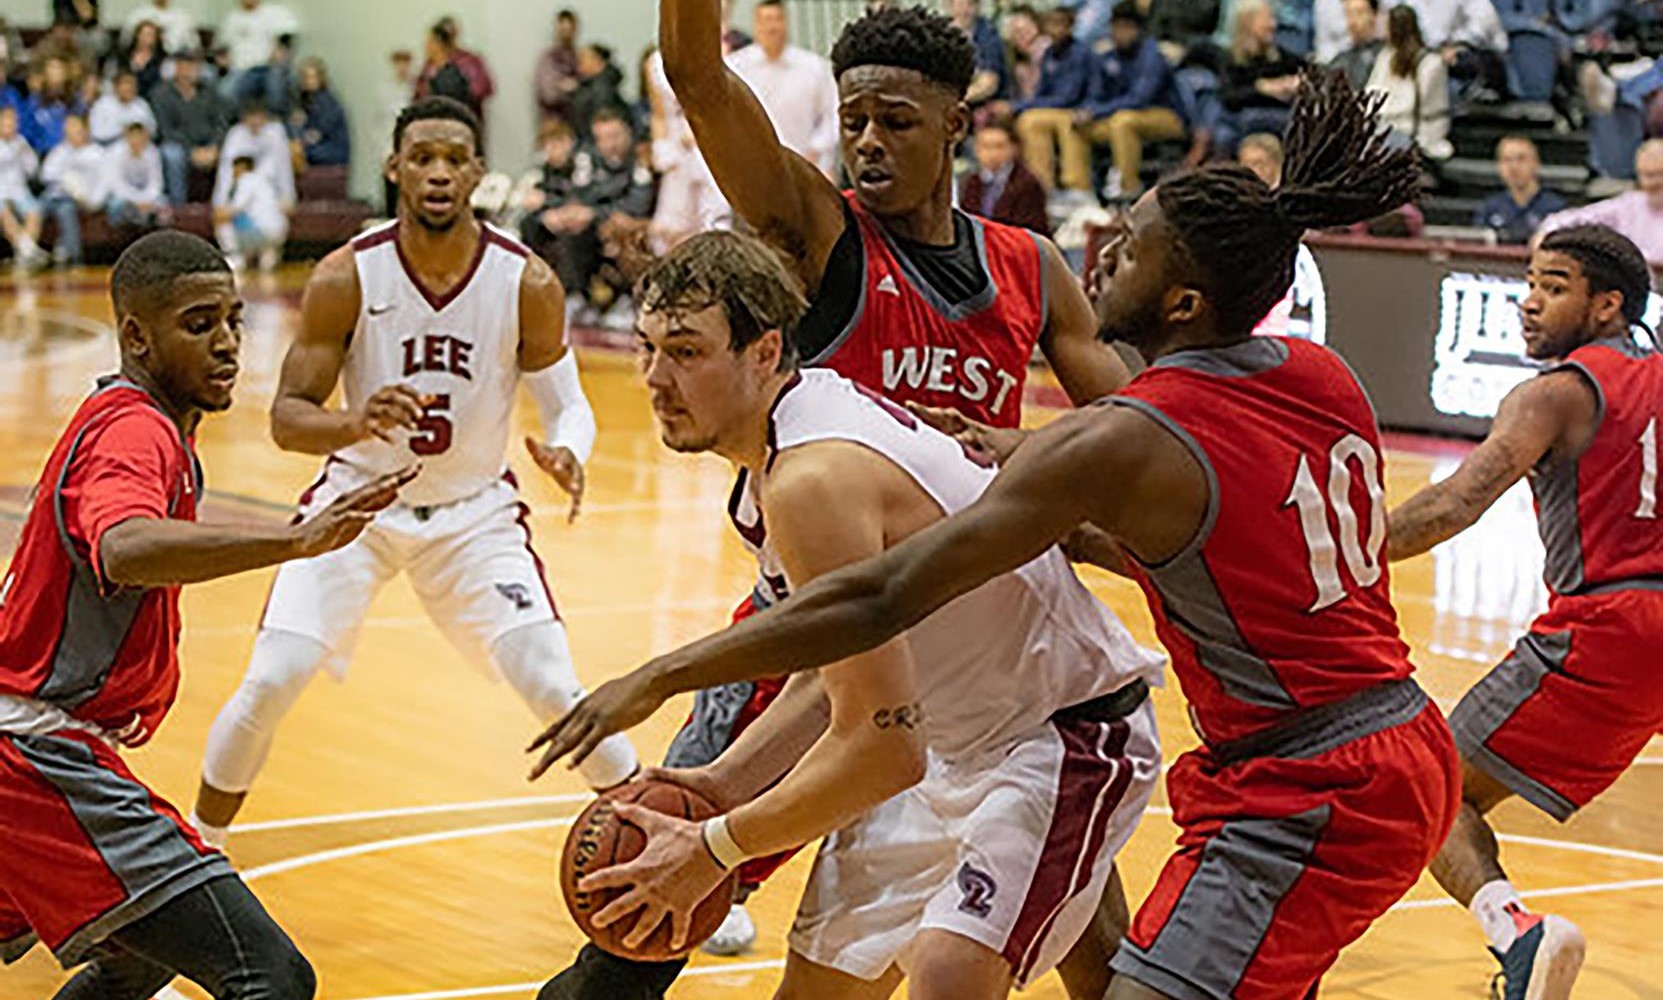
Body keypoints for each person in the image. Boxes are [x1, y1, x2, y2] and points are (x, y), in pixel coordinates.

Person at [536, 69, 1465, 1000]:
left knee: (1005, 973)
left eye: (1129, 248)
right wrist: (725, 782)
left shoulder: (1115, 436)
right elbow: (1210, 533)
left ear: (1183, 302)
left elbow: (877, 600)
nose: (1098, 255)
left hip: (1296, 775)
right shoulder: (1316, 372)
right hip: (1379, 737)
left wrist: (657, 678)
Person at [531, 2, 1141, 996]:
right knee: (652, 890)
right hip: (814, 621)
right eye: (851, 119)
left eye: (894, 121)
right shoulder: (814, 229)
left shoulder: (1029, 267)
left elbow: (1137, 430)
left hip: (982, 642)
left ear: (956, 123)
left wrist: (1028, 453)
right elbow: (697, 78)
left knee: (1081, 921)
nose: (865, 141)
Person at [188, 96, 640, 848]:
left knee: (556, 687)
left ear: (477, 173)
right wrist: (354, 423)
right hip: (354, 509)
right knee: (271, 679)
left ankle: (674, 848)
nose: (437, 173)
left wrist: (570, 452)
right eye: (421, 158)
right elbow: (287, 419)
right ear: (394, 168)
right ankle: (198, 854)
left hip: (474, 516)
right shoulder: (346, 277)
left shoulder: (523, 281)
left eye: (453, 159)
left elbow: (570, 409)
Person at [0, 229, 413, 1000]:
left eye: (233, 322)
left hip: (27, 749)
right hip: (32, 756)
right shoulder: (136, 430)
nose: (226, 344)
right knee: (271, 975)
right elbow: (123, 547)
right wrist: (296, 541)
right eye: (199, 326)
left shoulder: (134, 424)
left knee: (140, 952)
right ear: (135, 335)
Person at [1385, 224, 1660, 1000]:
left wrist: (1348, 551)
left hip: (1608, 629)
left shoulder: (1555, 393)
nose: (1529, 303)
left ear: (1608, 305)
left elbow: (1454, 502)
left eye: (1553, 286)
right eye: (1529, 284)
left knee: (1433, 785)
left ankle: (1519, 934)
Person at [1074, 2, 1187, 200]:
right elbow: (1094, 94)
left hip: (1167, 116)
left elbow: (1140, 99)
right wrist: (1088, 110)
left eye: (1126, 28)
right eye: (1116, 28)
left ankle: (1128, 186)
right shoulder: (1107, 57)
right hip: (1118, 116)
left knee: (1123, 121)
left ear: (1137, 29)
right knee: (1078, 125)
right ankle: (1080, 190)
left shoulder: (1152, 56)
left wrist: (1098, 111)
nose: (1120, 33)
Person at [726, 0, 840, 175]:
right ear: (755, 25)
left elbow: (833, 113)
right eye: (765, 20)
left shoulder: (814, 67)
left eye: (777, 19)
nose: (771, 27)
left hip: (805, 165)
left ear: (786, 23)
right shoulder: (735, 67)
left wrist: (817, 149)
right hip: (750, 167)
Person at [1010, 5, 1096, 194]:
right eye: (1050, 25)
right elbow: (1042, 92)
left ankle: (1078, 186)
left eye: (1060, 25)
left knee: (1068, 122)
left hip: (1085, 109)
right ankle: (1043, 186)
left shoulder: (1081, 53)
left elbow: (1068, 97)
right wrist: (1023, 107)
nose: (1055, 30)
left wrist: (1019, 106)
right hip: (1057, 110)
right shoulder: (1049, 54)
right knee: (1029, 121)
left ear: (1070, 27)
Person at [1539, 139, 1663, 265]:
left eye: (1658, 174)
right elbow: (1559, 222)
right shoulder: (1629, 206)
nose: (1650, 183)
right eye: (1645, 175)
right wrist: (1547, 235)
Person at [1366, 4, 1452, 160]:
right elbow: (1371, 93)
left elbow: (1409, 104)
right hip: (1385, 125)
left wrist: (1381, 112)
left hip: (1418, 130)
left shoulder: (1431, 63)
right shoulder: (1385, 56)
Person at [1217, 0, 1302, 155]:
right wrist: (1261, 88)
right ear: (1248, 24)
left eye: (1272, 19)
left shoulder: (1284, 58)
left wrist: (1292, 84)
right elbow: (1229, 97)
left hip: (1279, 116)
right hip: (1245, 117)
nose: (1273, 25)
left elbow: (1306, 74)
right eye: (1266, 19)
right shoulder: (1232, 61)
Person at [153, 50, 232, 206]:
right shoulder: (161, 94)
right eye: (186, 66)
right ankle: (179, 208)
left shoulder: (210, 92)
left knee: (232, 149)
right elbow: (165, 129)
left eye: (195, 67)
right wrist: (191, 150)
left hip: (208, 144)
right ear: (176, 68)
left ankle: (222, 204)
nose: (191, 71)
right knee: (171, 155)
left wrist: (215, 146)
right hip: (180, 144)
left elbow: (221, 122)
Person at [960, 118, 1049, 235]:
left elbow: (1031, 228)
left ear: (1013, 148)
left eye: (999, 146)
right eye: (985, 146)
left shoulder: (1027, 182)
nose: (992, 153)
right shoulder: (971, 182)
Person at [1474, 136, 1567, 245]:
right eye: (1507, 160)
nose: (1514, 167)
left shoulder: (1555, 207)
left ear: (1535, 163)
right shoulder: (1489, 208)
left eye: (1521, 159)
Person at [40, 113, 104, 265]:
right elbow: (45, 175)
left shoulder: (97, 153)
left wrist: (92, 201)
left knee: (65, 209)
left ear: (84, 130)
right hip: (56, 196)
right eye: (67, 128)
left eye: (74, 127)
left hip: (83, 199)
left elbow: (103, 183)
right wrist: (66, 183)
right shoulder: (60, 150)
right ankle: (29, 249)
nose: (69, 131)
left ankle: (73, 255)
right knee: (35, 208)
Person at [214, 101, 295, 215]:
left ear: (265, 117)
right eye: (251, 117)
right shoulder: (235, 135)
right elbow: (226, 171)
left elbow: (284, 169)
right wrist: (220, 203)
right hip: (242, 195)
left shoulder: (276, 133)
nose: (256, 121)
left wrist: (288, 197)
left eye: (259, 117)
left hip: (270, 193)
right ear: (244, 119)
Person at [218, 0, 297, 113]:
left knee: (276, 86)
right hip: (241, 69)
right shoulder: (231, 18)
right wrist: (224, 61)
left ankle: (275, 122)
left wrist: (279, 52)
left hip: (268, 66)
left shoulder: (274, 12)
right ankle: (239, 125)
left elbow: (287, 38)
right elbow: (223, 46)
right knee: (225, 92)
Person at [215, 154, 286, 270]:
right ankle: (268, 256)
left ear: (241, 168)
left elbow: (236, 208)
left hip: (261, 233)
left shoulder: (245, 180)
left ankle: (236, 258)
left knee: (223, 224)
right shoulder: (265, 181)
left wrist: (218, 216)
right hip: (279, 232)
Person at [0, 105, 47, 270]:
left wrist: (24, 152)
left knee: (34, 212)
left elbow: (32, 170)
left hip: (19, 190)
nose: (11, 124)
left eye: (13, 121)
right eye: (6, 120)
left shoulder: (20, 142)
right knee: (4, 213)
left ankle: (24, 253)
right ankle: (29, 251)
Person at [103, 121, 169, 230]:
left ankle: (152, 232)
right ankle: (119, 234)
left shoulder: (152, 152)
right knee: (115, 205)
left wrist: (147, 200)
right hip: (124, 196)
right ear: (127, 137)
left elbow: (156, 183)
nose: (137, 141)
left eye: (141, 137)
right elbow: (117, 185)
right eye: (134, 137)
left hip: (146, 196)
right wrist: (137, 201)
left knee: (164, 204)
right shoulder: (115, 153)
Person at [290, 57, 349, 169]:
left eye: (311, 77)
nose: (306, 81)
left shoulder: (326, 102)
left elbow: (315, 135)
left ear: (321, 78)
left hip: (332, 153)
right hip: (320, 150)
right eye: (303, 77)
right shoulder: (305, 100)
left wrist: (297, 141)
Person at [536, 9, 582, 126]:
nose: (566, 33)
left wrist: (568, 86)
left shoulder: (582, 56)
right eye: (562, 29)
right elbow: (549, 94)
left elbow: (588, 89)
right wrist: (572, 88)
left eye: (569, 29)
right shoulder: (548, 58)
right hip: (554, 124)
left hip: (578, 122)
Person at [88, 71, 157, 146]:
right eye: (126, 83)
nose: (130, 87)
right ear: (116, 87)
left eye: (133, 84)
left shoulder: (142, 104)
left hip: (140, 148)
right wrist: (124, 132)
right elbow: (97, 135)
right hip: (109, 149)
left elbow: (153, 130)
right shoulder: (102, 105)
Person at [1328, 0, 1382, 91]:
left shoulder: (1387, 55)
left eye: (1359, 13)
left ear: (1373, 15)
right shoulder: (1340, 60)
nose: (1353, 22)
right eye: (1348, 14)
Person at [122, 0, 197, 55]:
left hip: (178, 63)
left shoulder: (184, 17)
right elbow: (125, 44)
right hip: (145, 61)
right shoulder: (136, 15)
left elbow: (193, 45)